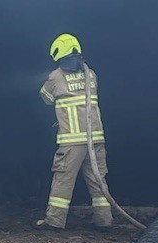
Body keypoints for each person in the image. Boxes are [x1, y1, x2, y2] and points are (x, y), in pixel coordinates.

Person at [35, 33, 113, 231]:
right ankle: (104, 220)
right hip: (95, 139)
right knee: (98, 180)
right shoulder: (91, 74)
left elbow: (45, 97)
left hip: (72, 142)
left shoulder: (55, 77)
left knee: (63, 179)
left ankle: (54, 220)